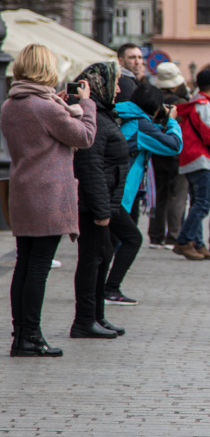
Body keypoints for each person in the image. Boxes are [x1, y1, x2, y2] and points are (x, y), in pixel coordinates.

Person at [3, 45, 97, 357]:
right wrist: (87, 105)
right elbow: (83, 137)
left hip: (23, 191)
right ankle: (31, 335)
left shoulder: (11, 104)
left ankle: (21, 335)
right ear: (46, 69)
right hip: (49, 195)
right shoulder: (44, 107)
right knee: (39, 267)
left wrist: (59, 103)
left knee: (25, 264)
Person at [71, 62, 131, 339]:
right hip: (94, 202)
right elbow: (90, 166)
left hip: (103, 199)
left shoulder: (103, 113)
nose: (118, 88)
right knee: (91, 259)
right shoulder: (92, 114)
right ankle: (84, 320)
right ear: (100, 85)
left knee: (101, 256)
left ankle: (96, 317)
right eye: (115, 82)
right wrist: (100, 209)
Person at [108, 83, 183, 304]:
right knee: (132, 239)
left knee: (110, 244)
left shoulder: (124, 114)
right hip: (117, 193)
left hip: (113, 190)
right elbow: (174, 145)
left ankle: (101, 290)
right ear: (155, 106)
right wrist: (172, 121)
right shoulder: (141, 125)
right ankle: (109, 289)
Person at [174, 69, 210, 261]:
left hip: (191, 157)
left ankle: (198, 244)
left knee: (196, 203)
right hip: (201, 159)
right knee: (203, 203)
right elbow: (209, 136)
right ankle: (184, 241)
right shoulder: (205, 106)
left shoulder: (196, 103)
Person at [150, 62, 190, 248]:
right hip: (177, 153)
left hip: (157, 152)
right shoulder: (181, 103)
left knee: (160, 194)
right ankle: (173, 236)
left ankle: (155, 236)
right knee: (178, 195)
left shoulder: (154, 100)